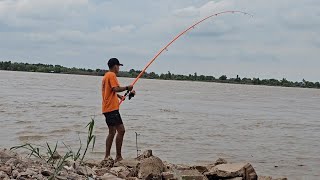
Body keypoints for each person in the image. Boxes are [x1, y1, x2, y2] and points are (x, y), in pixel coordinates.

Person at [102, 57, 135, 162]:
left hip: (106, 109)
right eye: (118, 66)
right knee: (121, 130)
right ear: (115, 66)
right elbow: (115, 88)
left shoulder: (106, 76)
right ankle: (118, 157)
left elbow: (111, 92)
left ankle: (107, 156)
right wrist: (127, 88)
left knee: (112, 132)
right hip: (112, 109)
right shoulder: (111, 75)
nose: (119, 68)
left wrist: (120, 97)